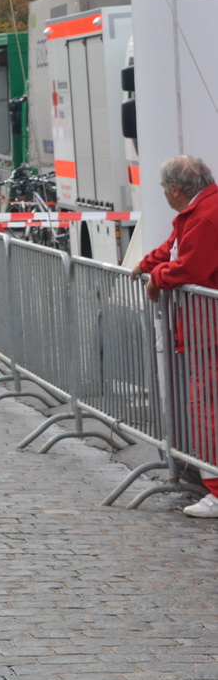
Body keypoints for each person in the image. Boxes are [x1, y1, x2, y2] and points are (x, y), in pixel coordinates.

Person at [131, 156, 218, 516]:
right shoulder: (199, 210)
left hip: (208, 328)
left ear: (176, 189)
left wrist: (157, 276)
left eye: (164, 189)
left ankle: (215, 489)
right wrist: (149, 264)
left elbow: (190, 265)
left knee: (205, 407)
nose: (164, 195)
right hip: (205, 325)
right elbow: (174, 248)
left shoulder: (206, 215)